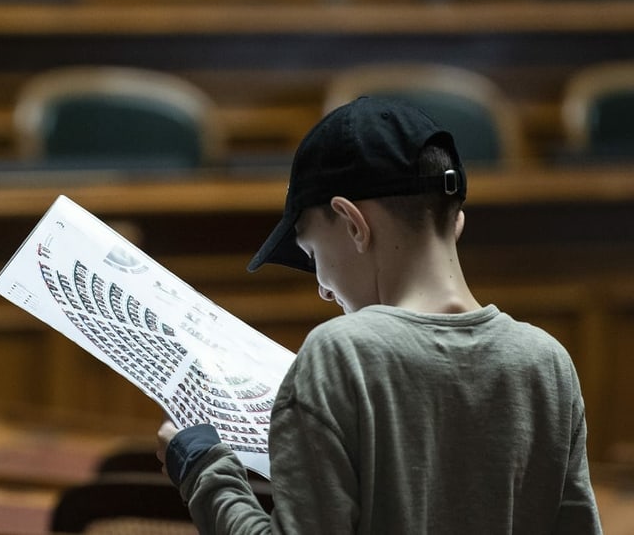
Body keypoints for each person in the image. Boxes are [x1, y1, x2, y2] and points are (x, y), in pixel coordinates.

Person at [156, 96, 602, 534]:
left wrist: (203, 468)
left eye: (313, 255)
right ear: (456, 223)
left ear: (352, 223)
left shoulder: (340, 356)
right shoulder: (548, 364)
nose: (323, 288)